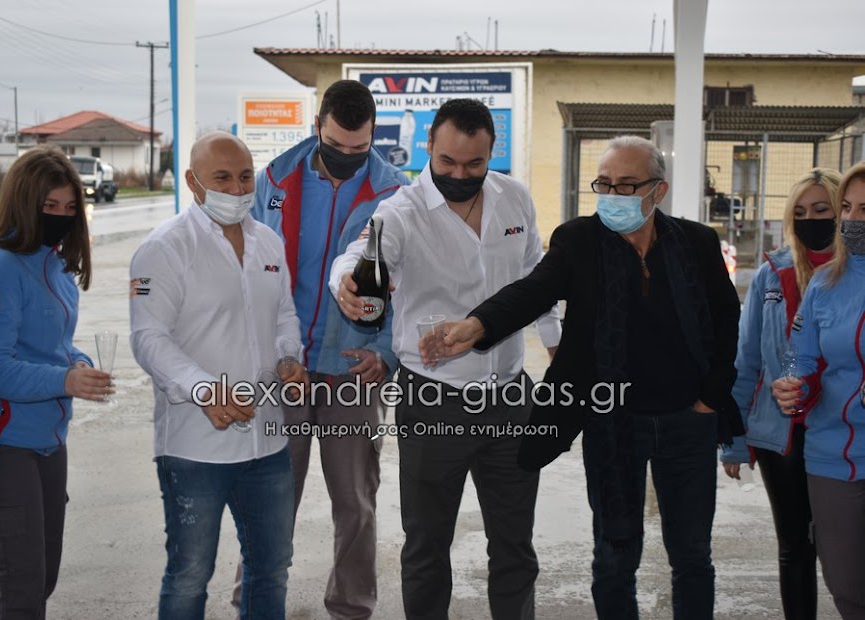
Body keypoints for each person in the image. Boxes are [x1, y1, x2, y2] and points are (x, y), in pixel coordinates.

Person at [425, 135, 742, 620]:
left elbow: (725, 317)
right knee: (615, 556)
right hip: (613, 424)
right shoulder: (579, 241)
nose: (612, 195)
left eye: (627, 185)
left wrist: (711, 398)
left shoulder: (696, 243)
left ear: (657, 190)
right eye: (604, 184)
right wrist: (477, 324)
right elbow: (533, 291)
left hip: (687, 421)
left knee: (692, 553)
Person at [331, 98, 562, 620]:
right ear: (428, 148)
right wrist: (346, 281)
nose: (459, 175)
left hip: (510, 398)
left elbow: (536, 275)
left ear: (491, 154)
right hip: (433, 401)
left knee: (515, 544)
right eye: (447, 162)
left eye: (474, 164)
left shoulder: (514, 198)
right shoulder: (400, 212)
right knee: (427, 546)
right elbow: (360, 255)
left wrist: (555, 341)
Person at [244, 79, 407, 619]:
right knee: (270, 496)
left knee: (355, 501)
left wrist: (385, 353)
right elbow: (248, 271)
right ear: (317, 127)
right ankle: (254, 603)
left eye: (360, 148)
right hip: (284, 367)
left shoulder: (396, 195)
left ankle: (351, 608)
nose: (346, 157)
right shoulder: (274, 181)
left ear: (374, 136)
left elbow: (411, 286)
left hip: (353, 369)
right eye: (335, 145)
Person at [129, 132, 306, 619]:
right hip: (194, 448)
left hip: (267, 444)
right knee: (190, 575)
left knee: (271, 569)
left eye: (245, 177)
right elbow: (148, 338)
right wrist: (203, 388)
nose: (237, 189)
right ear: (192, 181)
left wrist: (289, 357)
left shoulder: (268, 241)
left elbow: (283, 316)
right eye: (222, 178)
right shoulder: (164, 249)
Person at [0, 147, 109, 618]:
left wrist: (78, 363)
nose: (61, 217)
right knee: (18, 591)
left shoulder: (55, 265)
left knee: (41, 579)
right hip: (5, 445)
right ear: (23, 202)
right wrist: (65, 380)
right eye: (50, 206)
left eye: (70, 208)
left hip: (49, 442)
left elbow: (51, 345)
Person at [719, 167, 841, 620]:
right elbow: (747, 359)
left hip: (843, 432)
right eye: (800, 212)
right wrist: (734, 439)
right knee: (795, 546)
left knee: (844, 547)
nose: (810, 220)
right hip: (783, 435)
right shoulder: (772, 274)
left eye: (822, 209)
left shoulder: (855, 274)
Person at [772, 161, 865, 619]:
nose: (852, 220)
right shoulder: (825, 285)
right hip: (832, 458)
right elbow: (801, 356)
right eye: (847, 208)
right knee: (846, 587)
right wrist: (794, 385)